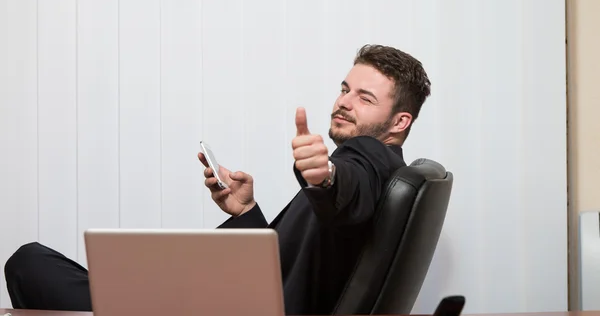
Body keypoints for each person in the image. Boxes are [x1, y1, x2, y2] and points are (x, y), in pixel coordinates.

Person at [4, 44, 431, 315]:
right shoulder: (390, 171)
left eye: (365, 97)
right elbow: (287, 265)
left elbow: (348, 189)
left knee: (29, 263)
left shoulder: (370, 158)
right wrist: (246, 211)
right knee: (48, 268)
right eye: (345, 88)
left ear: (399, 122)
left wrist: (327, 178)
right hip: (231, 301)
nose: (342, 102)